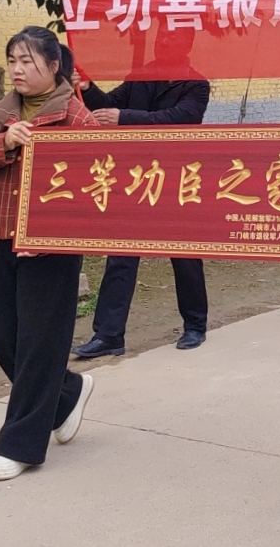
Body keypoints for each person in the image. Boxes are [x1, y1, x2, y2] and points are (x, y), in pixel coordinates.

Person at [0, 26, 99, 481]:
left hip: (51, 250)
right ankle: (67, 393)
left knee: (38, 345)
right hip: (2, 238)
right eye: (13, 60)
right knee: (3, 336)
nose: (16, 70)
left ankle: (19, 445)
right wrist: (3, 142)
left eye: (27, 61)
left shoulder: (77, 120)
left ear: (53, 67)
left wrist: (60, 232)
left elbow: (98, 188)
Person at [72, 39, 212, 356]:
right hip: (137, 176)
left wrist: (125, 117)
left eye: (173, 39)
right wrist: (88, 87)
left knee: (185, 254)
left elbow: (178, 118)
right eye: (161, 38)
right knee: (121, 253)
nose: (165, 44)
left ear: (188, 42)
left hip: (176, 178)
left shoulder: (197, 84)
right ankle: (109, 335)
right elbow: (107, 106)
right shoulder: (141, 76)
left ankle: (195, 325)